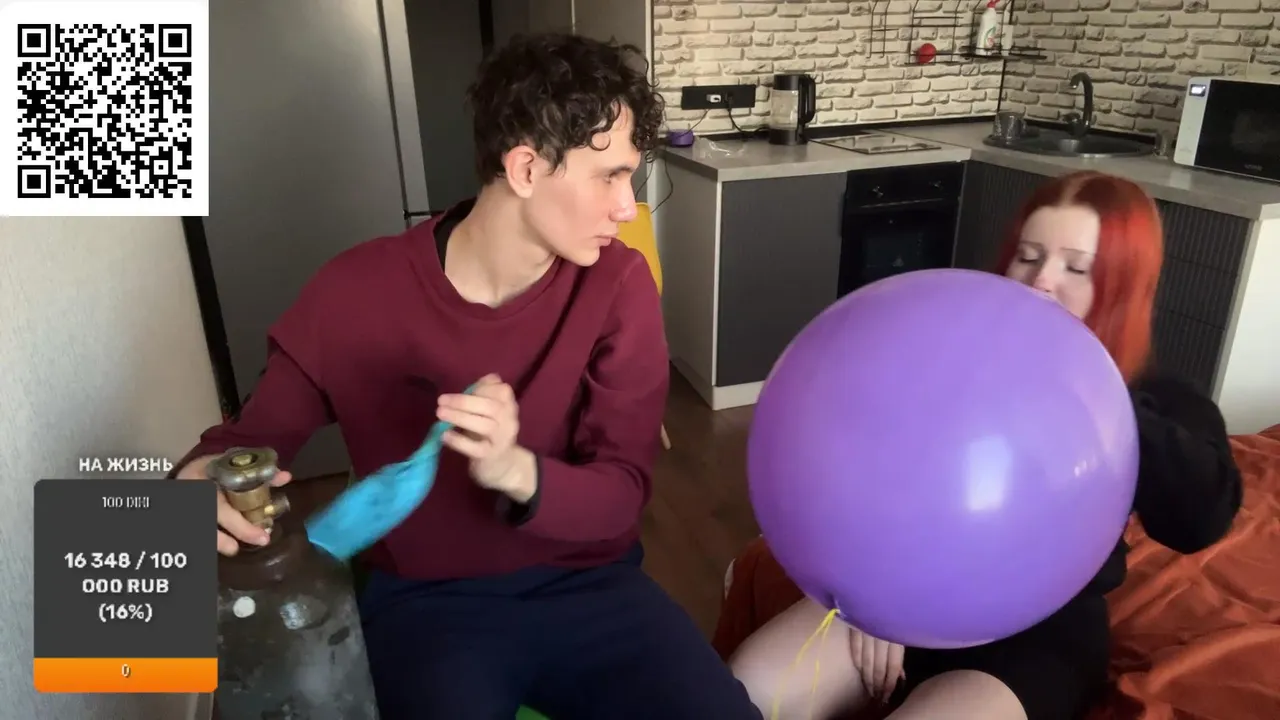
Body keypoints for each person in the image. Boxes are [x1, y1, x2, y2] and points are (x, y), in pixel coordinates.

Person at [172, 33, 762, 720]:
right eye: (609, 176)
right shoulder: (354, 293)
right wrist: (196, 483)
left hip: (589, 585)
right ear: (525, 168)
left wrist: (517, 471)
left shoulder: (618, 284)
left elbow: (622, 493)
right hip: (426, 605)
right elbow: (244, 444)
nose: (627, 208)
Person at [715, 171, 1245, 720]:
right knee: (745, 689)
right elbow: (871, 477)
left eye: (1076, 267)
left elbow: (1200, 520)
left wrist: (1094, 390)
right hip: (904, 586)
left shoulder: (1156, 397)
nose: (1041, 282)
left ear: (1122, 286)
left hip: (1040, 632)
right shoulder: (947, 354)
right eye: (1028, 257)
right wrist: (877, 602)